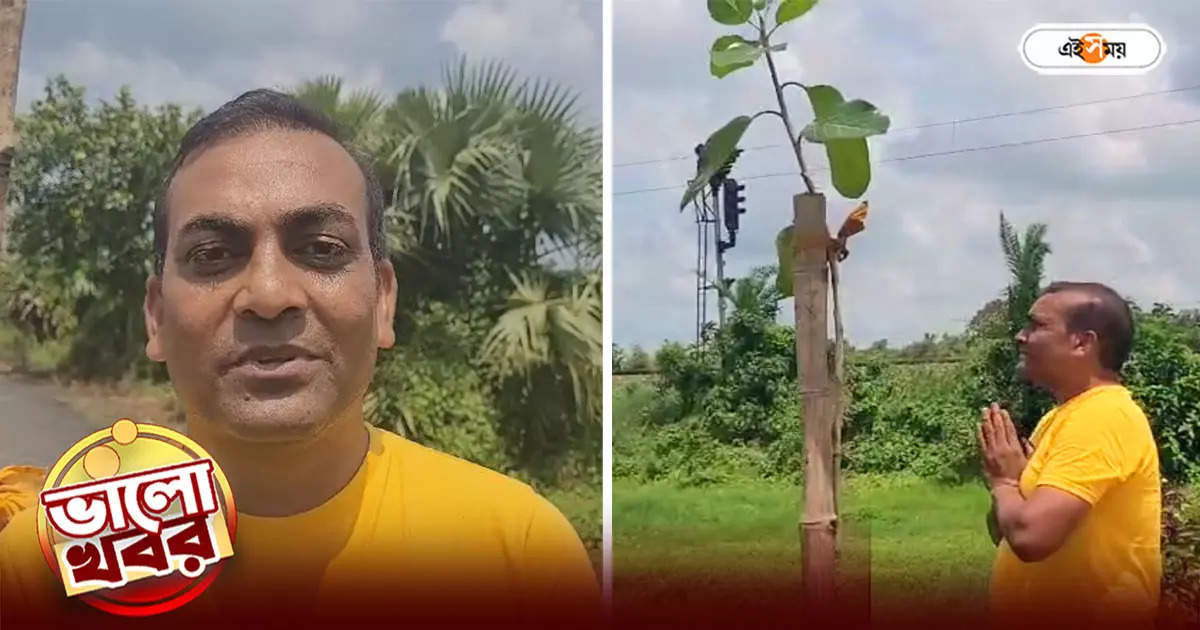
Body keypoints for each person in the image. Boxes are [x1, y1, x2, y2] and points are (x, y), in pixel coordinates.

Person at [0, 90, 599, 626]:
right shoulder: (41, 568)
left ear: (383, 300)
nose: (268, 295)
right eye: (212, 254)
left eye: (320, 249)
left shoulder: (514, 554)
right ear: (156, 315)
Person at [978, 282, 1160, 626]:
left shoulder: (1104, 417)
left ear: (1082, 342)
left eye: (1037, 326)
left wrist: (1004, 481)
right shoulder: (1059, 417)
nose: (1021, 336)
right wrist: (1011, 487)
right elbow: (1005, 533)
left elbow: (1030, 538)